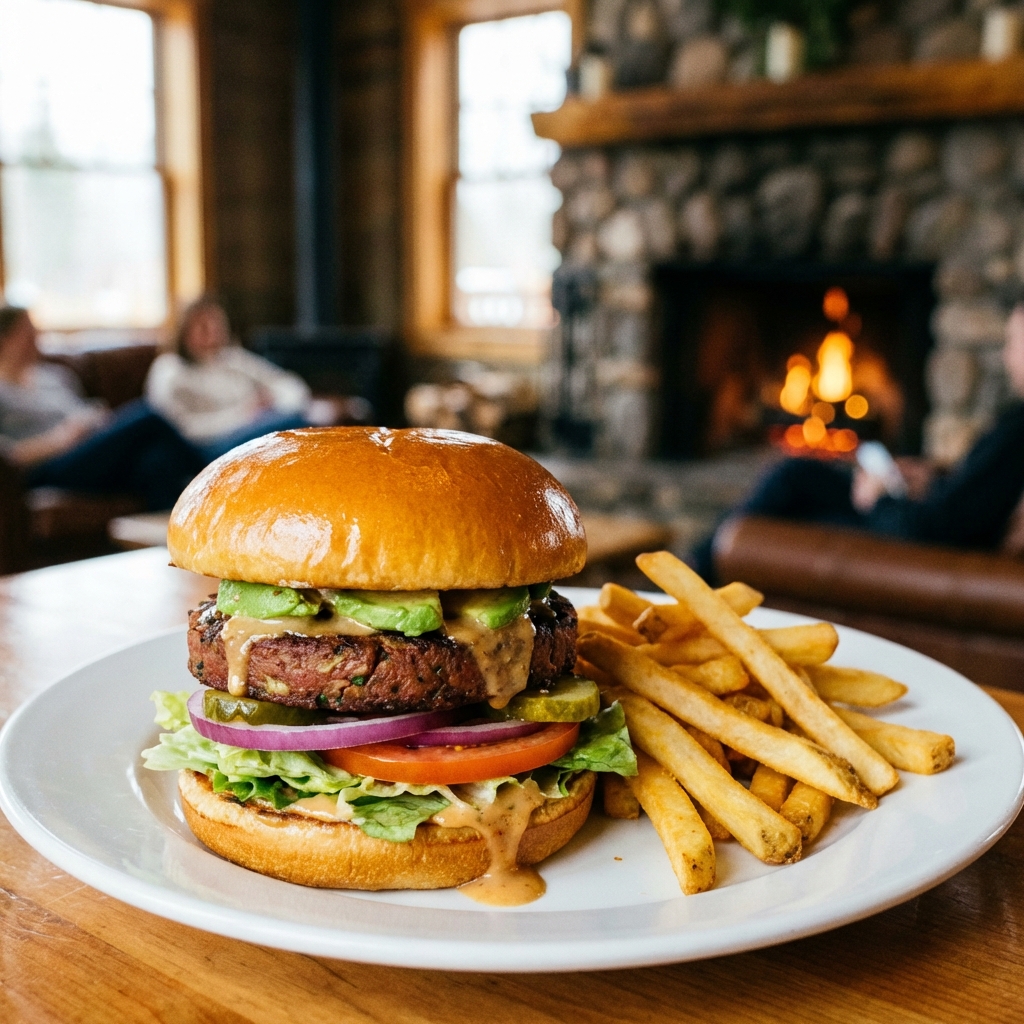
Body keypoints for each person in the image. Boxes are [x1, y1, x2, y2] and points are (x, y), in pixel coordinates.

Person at [694, 302, 1024, 581]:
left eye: (1012, 342)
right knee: (795, 474)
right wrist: (932, 477)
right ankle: (695, 567)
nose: (1006, 355)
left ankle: (695, 574)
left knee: (789, 510)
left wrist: (879, 499)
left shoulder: (1018, 428)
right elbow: (975, 497)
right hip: (920, 512)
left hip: (913, 539)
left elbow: (934, 531)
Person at [0, 306, 204, 510]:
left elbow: (81, 410)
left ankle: (174, 536)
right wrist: (61, 438)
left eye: (34, 330)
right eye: (25, 332)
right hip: (49, 465)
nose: (34, 337)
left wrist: (96, 418)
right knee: (148, 415)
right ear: (4, 339)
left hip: (89, 448)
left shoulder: (53, 376)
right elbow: (8, 455)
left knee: (158, 460)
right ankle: (210, 468)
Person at [145, 296, 314, 461]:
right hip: (204, 446)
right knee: (292, 426)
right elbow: (178, 426)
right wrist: (246, 413)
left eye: (217, 326)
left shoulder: (234, 359)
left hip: (253, 426)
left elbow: (290, 385)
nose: (212, 333)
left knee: (296, 426)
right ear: (184, 330)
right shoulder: (169, 368)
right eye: (203, 327)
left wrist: (273, 400)